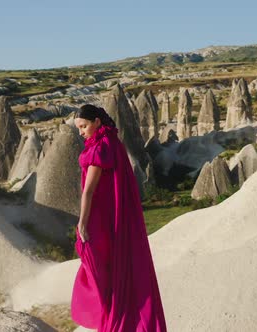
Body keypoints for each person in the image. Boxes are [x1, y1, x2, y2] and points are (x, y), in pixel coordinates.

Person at [71, 104, 168, 332]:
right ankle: (122, 312)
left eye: (84, 126)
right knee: (117, 266)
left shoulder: (99, 149)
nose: (81, 132)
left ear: (97, 121)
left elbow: (89, 191)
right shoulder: (113, 142)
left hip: (100, 216)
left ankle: (111, 314)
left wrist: (82, 223)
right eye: (78, 128)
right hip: (114, 216)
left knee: (95, 263)